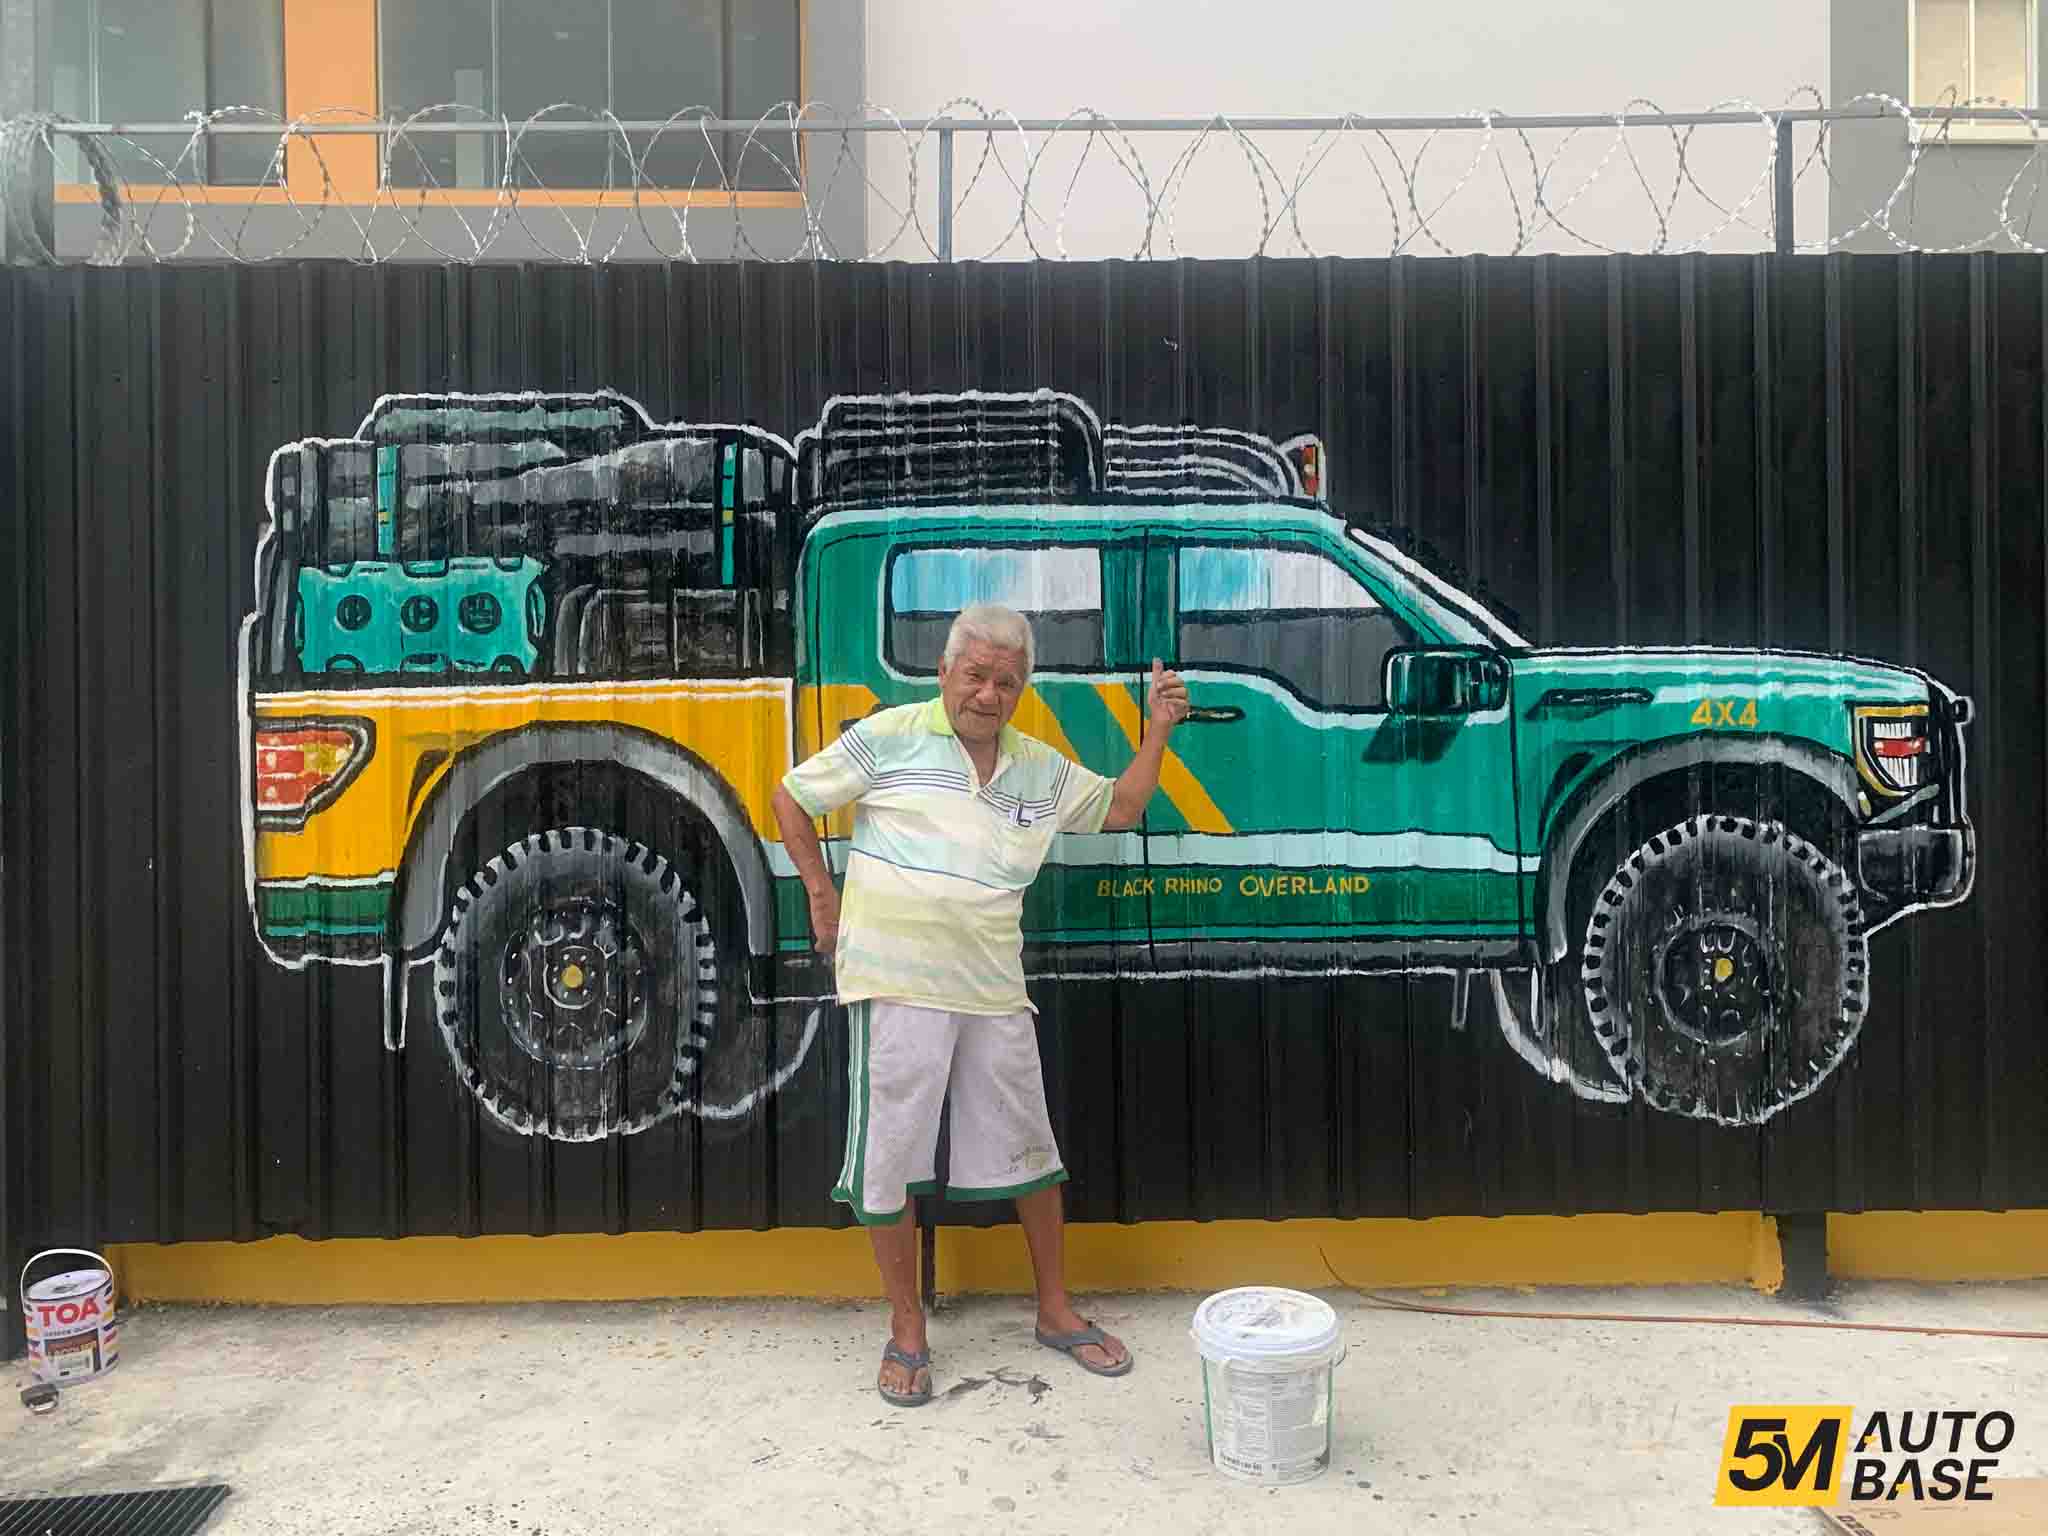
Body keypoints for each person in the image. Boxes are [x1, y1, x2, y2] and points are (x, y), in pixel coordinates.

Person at [770, 602, 1191, 1406]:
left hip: (994, 990)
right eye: (975, 676)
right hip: (897, 983)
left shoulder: (1037, 767)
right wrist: (821, 895)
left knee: (1032, 1148)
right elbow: (793, 797)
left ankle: (1055, 1312)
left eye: (1006, 682)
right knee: (889, 1160)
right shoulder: (891, 736)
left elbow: (1122, 807)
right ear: (944, 672)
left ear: (1021, 690)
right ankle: (907, 1333)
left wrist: (1159, 730)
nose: (988, 695)